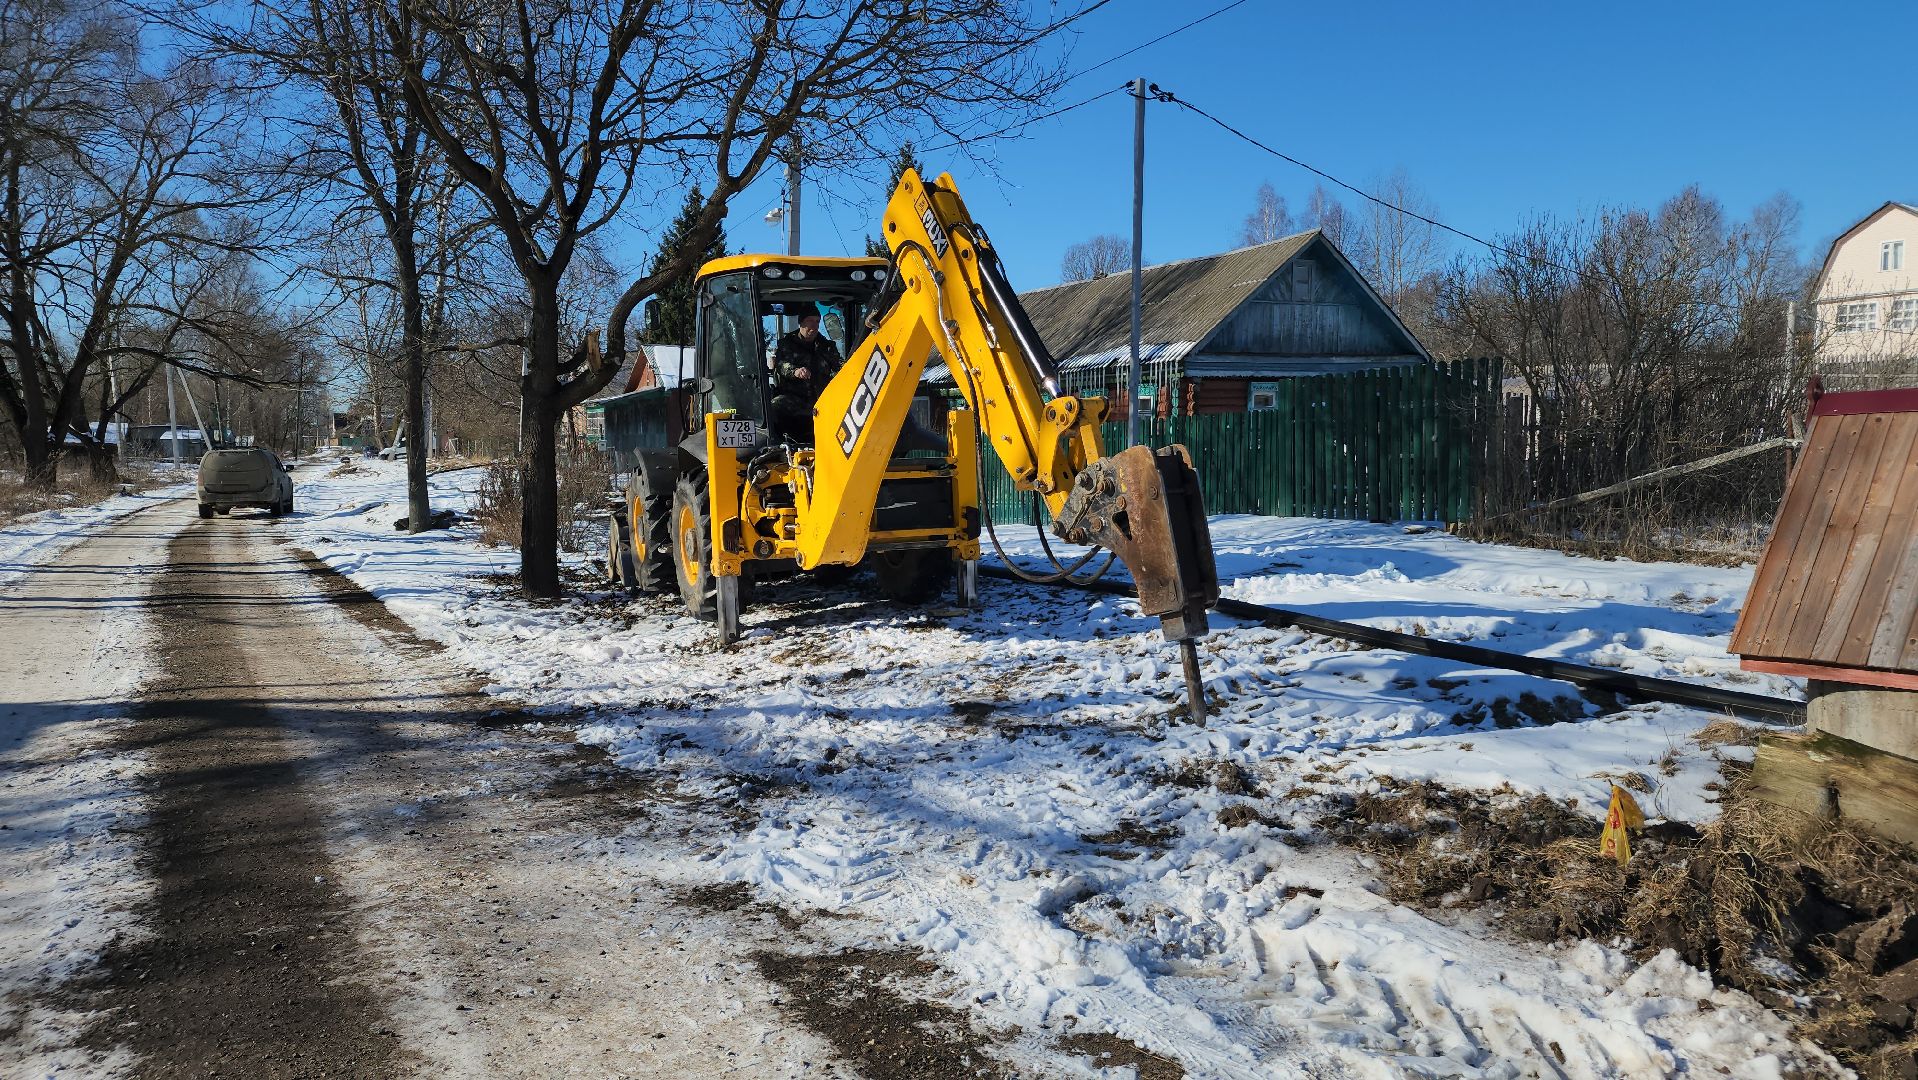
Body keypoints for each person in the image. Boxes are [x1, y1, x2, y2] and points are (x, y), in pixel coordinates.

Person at [770, 303, 842, 443]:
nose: (814, 326)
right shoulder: (787, 344)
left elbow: (839, 365)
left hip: (822, 400)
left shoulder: (827, 346)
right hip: (795, 398)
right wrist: (795, 371)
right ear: (801, 322)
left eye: (817, 321)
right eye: (810, 321)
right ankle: (779, 444)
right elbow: (781, 365)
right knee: (775, 406)